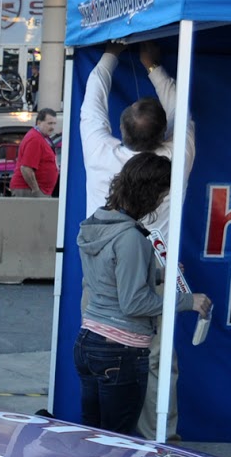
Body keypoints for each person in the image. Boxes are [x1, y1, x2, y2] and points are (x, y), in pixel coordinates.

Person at [81, 40, 196, 441]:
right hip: (155, 273)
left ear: (122, 130)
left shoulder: (97, 149)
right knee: (158, 362)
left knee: (101, 353)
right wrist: (154, 67)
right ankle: (158, 443)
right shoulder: (175, 157)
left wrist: (110, 54)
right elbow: (183, 115)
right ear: (162, 134)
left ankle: (103, 445)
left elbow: (91, 100)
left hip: (100, 272)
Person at [74, 153, 210, 435]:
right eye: (162, 193)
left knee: (92, 437)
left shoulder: (96, 223)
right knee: (117, 442)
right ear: (150, 192)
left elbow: (110, 276)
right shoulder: (130, 237)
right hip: (120, 352)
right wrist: (188, 301)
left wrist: (155, 272)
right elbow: (134, 302)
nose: (162, 201)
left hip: (90, 343)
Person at [9, 108, 59, 198]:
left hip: (37, 190)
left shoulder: (43, 138)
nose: (52, 127)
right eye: (49, 123)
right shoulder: (35, 139)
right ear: (39, 123)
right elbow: (26, 168)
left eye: (54, 123)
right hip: (28, 190)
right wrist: (36, 191)